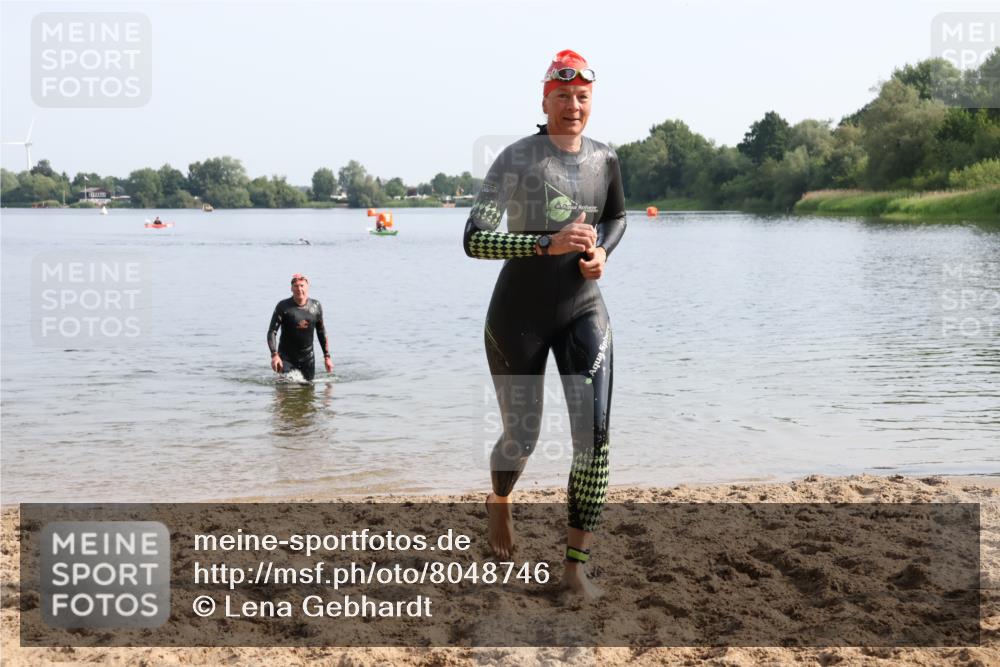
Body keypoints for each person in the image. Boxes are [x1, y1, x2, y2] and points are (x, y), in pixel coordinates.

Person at [463, 49, 625, 598]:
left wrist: (601, 252)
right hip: (519, 315)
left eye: (582, 97)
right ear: (545, 100)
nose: (573, 105)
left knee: (594, 442)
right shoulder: (517, 159)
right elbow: (474, 239)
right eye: (562, 96)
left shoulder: (605, 159)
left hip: (583, 308)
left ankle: (574, 570)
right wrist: (544, 244)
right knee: (522, 436)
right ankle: (500, 500)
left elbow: (617, 217)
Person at [267, 274, 333, 382]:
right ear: (291, 288)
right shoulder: (283, 306)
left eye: (302, 285)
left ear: (307, 287)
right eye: (296, 286)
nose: (299, 289)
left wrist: (327, 357)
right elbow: (272, 332)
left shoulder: (316, 306)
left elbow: (321, 332)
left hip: (308, 358)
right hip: (286, 357)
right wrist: (274, 355)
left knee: (308, 388)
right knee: (285, 387)